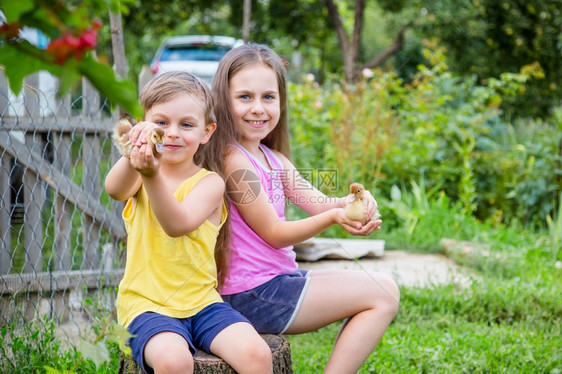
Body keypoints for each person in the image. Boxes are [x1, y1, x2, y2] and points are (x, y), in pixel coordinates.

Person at [204, 44, 401, 374]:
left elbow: (322, 204)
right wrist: (335, 217)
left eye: (268, 97)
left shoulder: (272, 158)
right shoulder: (233, 161)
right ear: (223, 101)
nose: (258, 108)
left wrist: (355, 204)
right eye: (244, 97)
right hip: (249, 296)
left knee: (382, 290)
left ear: (281, 102)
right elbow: (275, 234)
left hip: (275, 283)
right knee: (384, 293)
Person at [104, 71, 272, 374]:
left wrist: (151, 176)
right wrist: (135, 157)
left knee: (257, 355)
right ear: (144, 123)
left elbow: (177, 223)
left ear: (206, 132)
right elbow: (114, 189)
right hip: (147, 307)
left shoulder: (210, 184)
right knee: (174, 360)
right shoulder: (137, 175)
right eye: (161, 123)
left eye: (186, 125)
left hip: (203, 304)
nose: (172, 133)